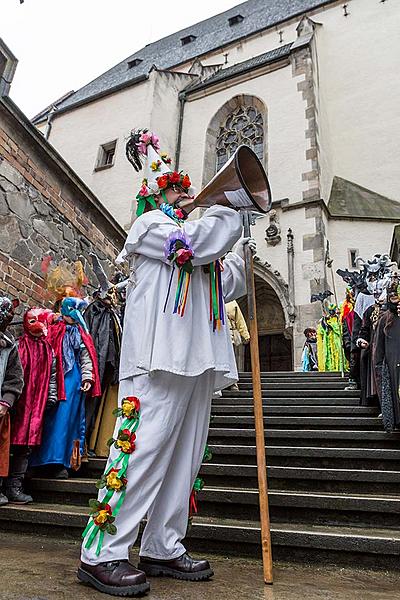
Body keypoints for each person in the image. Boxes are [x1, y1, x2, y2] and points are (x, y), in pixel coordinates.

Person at [78, 130, 251, 596]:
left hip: (199, 360)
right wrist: (231, 211)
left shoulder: (197, 237)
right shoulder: (151, 227)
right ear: (155, 193)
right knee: (142, 453)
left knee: (184, 460)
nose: (185, 194)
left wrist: (244, 243)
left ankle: (163, 545)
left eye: (184, 186)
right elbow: (194, 244)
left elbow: (228, 280)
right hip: (158, 359)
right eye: (176, 188)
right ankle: (103, 552)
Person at [30, 297, 101, 478]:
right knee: (48, 418)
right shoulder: (52, 328)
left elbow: (86, 356)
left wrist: (87, 377)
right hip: (52, 377)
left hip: (72, 381)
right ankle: (40, 460)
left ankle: (62, 461)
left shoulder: (80, 333)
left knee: (67, 420)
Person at [6, 308, 57, 504]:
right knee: (9, 443)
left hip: (37, 405)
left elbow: (52, 376)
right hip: (18, 404)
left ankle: (14, 486)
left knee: (26, 447)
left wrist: (50, 398)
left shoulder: (48, 350)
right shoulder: (19, 346)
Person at [84, 256, 125, 457]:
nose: (112, 297)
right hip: (93, 366)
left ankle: (89, 443)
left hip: (107, 367)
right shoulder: (95, 311)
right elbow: (91, 337)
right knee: (87, 403)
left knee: (96, 404)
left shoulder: (113, 314)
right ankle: (81, 445)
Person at [0, 297, 24, 506]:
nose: (9, 318)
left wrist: (6, 402)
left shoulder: (9, 347)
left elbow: (15, 378)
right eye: (6, 314)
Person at [375, 274, 400, 432]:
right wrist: (380, 365)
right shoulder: (385, 319)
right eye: (391, 296)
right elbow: (379, 346)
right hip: (392, 362)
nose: (394, 298)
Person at [226, 300, 250, 389]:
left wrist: (245, 334)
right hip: (216, 336)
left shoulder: (232, 302)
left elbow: (239, 320)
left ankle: (232, 383)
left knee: (230, 359)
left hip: (229, 335)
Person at [317, 304, 345, 372]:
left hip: (336, 340)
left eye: (332, 311)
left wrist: (332, 326)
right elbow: (321, 331)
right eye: (330, 311)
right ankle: (330, 368)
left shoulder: (339, 319)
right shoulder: (326, 319)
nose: (331, 313)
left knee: (338, 353)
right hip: (328, 340)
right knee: (329, 354)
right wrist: (324, 324)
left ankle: (339, 368)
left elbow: (340, 329)